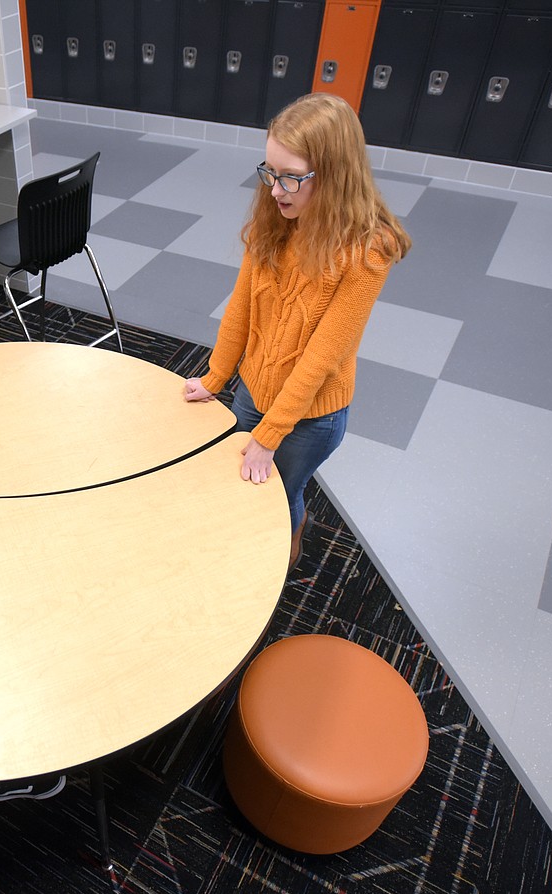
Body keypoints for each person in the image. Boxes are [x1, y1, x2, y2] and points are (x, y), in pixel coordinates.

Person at [183, 93, 411, 567]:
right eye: (269, 171)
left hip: (310, 417)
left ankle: (280, 559)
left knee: (279, 496)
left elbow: (321, 357)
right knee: (237, 481)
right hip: (253, 387)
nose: (275, 189)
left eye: (291, 177)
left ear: (333, 176)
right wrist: (216, 377)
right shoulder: (276, 217)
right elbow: (241, 309)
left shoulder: (368, 250)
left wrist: (270, 436)